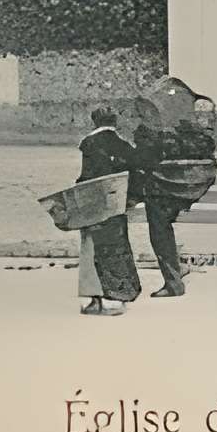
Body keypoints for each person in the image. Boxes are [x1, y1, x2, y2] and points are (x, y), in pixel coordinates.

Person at [134, 94, 217, 300]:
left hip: (161, 189)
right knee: (165, 228)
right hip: (184, 187)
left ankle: (173, 283)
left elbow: (143, 159)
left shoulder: (154, 133)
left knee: (160, 231)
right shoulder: (193, 132)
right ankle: (176, 270)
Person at [77, 105, 143, 316]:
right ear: (115, 123)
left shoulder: (89, 144)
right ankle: (115, 299)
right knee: (116, 250)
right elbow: (136, 177)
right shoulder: (124, 146)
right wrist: (132, 200)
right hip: (117, 205)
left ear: (94, 122)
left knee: (91, 250)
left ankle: (94, 301)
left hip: (94, 203)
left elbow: (86, 177)